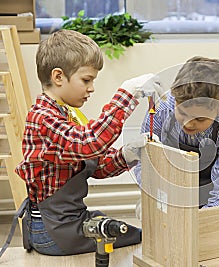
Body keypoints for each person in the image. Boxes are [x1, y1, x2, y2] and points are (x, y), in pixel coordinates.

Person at [13, 29, 165, 256]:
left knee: (127, 231)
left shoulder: (65, 115)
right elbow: (89, 143)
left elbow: (96, 164)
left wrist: (128, 155)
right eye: (86, 80)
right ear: (58, 77)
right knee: (139, 238)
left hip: (64, 225)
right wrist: (127, 93)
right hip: (53, 233)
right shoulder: (44, 118)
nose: (91, 88)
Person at [134, 56, 219, 208]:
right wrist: (155, 197)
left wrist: (203, 219)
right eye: (183, 113)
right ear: (174, 95)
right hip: (170, 188)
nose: (188, 123)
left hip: (211, 192)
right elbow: (145, 160)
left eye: (199, 119)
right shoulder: (161, 110)